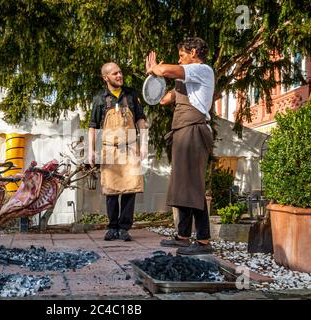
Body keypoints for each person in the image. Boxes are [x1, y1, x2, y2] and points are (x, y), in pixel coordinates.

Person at [145, 37, 215, 254]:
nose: (180, 59)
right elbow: (164, 99)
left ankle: (203, 241)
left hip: (194, 130)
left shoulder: (201, 70)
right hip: (183, 131)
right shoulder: (187, 80)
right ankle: (183, 236)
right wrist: (152, 77)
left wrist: (157, 69)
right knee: (182, 185)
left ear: (194, 52)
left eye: (182, 55)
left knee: (193, 185)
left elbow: (166, 70)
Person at [88, 62, 148, 241]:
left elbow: (140, 120)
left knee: (130, 189)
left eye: (120, 72)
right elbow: (92, 126)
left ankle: (124, 228)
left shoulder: (131, 95)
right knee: (111, 190)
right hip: (109, 149)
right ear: (106, 77)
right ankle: (112, 226)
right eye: (115, 74)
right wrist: (90, 151)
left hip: (130, 148)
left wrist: (144, 144)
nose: (119, 75)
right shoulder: (100, 98)